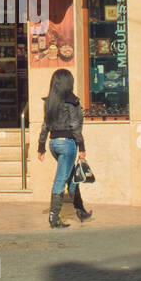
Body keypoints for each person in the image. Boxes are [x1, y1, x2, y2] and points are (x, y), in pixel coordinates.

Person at [36, 68, 88, 228]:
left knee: (72, 175)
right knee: (61, 179)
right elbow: (75, 125)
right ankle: (54, 218)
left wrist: (41, 146)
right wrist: (82, 146)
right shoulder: (72, 101)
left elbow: (45, 125)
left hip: (54, 143)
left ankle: (80, 210)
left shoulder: (50, 101)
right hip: (68, 144)